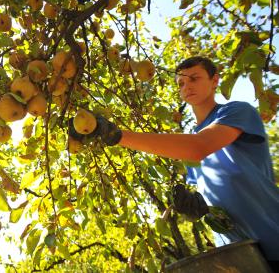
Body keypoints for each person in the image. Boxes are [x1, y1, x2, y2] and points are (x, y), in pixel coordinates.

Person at [70, 56, 279, 270]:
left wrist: (117, 136)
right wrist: (198, 207)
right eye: (181, 83)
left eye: (194, 78)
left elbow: (199, 147)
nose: (187, 86)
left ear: (215, 80)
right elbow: (210, 190)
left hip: (273, 236)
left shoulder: (237, 112)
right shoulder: (187, 142)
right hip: (240, 256)